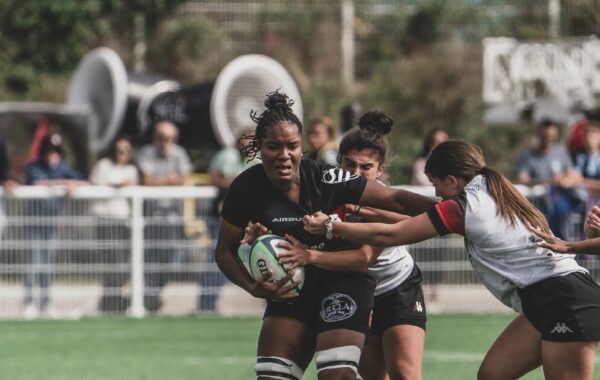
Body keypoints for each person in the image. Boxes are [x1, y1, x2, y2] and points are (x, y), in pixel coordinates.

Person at [305, 139, 600, 380]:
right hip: (548, 299)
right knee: (493, 374)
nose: (435, 192)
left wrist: (332, 226)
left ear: (452, 180)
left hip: (566, 301)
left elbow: (396, 234)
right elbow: (420, 215)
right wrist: (373, 212)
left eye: (436, 185)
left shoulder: (467, 206)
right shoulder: (487, 189)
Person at [215, 91, 435, 380]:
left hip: (344, 284)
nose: (284, 155)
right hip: (292, 289)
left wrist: (456, 211)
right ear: (258, 146)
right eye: (273, 146)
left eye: (292, 146)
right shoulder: (245, 189)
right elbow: (224, 250)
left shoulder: (326, 178)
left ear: (301, 146)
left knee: (341, 375)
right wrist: (252, 286)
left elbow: (396, 203)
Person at [278, 111, 426, 379]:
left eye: (366, 167)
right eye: (349, 165)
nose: (356, 173)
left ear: (380, 170)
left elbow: (362, 259)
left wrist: (308, 256)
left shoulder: (382, 201)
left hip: (396, 288)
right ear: (338, 162)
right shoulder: (324, 191)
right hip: (355, 290)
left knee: (405, 374)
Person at [23, 132, 88, 319]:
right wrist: (64, 183)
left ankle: (46, 302)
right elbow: (37, 182)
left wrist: (73, 184)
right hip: (34, 224)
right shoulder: (34, 167)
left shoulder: (62, 167)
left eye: (56, 152)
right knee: (33, 264)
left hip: (51, 225)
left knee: (48, 265)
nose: (52, 155)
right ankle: (29, 303)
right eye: (49, 151)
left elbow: (81, 180)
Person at [199, 129, 258, 312]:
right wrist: (239, 183)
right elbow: (215, 178)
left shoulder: (254, 160)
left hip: (243, 220)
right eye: (246, 140)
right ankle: (207, 304)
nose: (248, 145)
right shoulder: (227, 155)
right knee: (217, 258)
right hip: (219, 217)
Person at [137, 120, 192, 312]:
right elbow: (147, 180)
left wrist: (159, 181)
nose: (164, 142)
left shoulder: (180, 154)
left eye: (168, 138)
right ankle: (150, 298)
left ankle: (155, 293)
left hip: (173, 218)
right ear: (155, 138)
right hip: (151, 217)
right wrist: (171, 180)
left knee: (174, 260)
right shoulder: (146, 153)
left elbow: (183, 179)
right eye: (160, 138)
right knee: (150, 260)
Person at [89, 136, 139, 313]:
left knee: (121, 264)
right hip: (105, 221)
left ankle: (113, 300)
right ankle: (109, 301)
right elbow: (95, 185)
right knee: (110, 263)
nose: (122, 154)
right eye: (119, 150)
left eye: (126, 150)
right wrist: (116, 185)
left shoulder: (132, 169)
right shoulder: (103, 165)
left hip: (123, 221)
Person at [513, 118, 583, 239]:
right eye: (545, 136)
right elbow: (522, 179)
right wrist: (547, 182)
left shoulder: (561, 152)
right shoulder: (527, 155)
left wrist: (565, 179)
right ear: (539, 134)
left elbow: (573, 173)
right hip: (539, 199)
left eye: (551, 137)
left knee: (563, 209)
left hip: (562, 196)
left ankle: (562, 242)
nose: (548, 140)